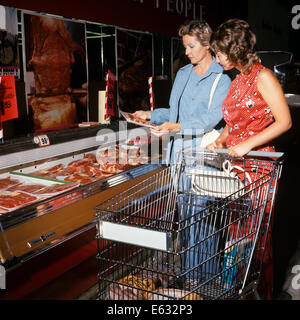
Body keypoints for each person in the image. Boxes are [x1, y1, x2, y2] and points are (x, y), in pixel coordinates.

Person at [207, 18, 292, 299]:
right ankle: (238, 291)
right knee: (237, 235)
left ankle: (260, 292)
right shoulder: (239, 79)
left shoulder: (263, 77)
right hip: (237, 169)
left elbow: (284, 122)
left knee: (255, 239)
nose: (216, 59)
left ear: (233, 51)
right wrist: (221, 139)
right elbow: (234, 120)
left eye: (219, 53)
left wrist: (246, 146)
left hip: (259, 167)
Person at [133, 20, 231, 164]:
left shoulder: (222, 78)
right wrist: (148, 115)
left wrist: (176, 127)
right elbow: (175, 113)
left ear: (207, 45)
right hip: (176, 152)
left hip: (202, 154)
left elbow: (210, 119)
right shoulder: (183, 74)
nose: (186, 52)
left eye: (191, 46)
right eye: (185, 47)